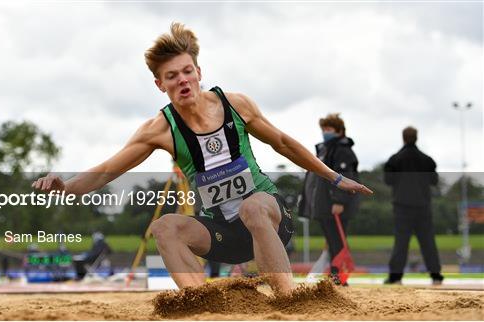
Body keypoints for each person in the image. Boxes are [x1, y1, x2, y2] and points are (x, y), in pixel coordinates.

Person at [32, 22, 372, 294]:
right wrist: (67, 186)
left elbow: (283, 142)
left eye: (186, 71)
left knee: (252, 206)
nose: (181, 80)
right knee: (164, 226)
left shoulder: (236, 105)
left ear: (198, 71)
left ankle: (290, 302)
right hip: (222, 234)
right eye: (171, 77)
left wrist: (336, 178)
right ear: (159, 84)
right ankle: (201, 304)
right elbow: (107, 170)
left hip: (270, 219)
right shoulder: (159, 129)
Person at [297, 113, 360, 285]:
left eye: (329, 129)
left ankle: (338, 277)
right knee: (332, 243)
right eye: (323, 129)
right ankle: (335, 276)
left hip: (335, 205)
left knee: (337, 243)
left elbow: (346, 175)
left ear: (339, 131)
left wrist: (339, 200)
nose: (325, 132)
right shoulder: (323, 150)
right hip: (323, 205)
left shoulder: (342, 150)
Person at [384, 126, 443, 285]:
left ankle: (396, 277)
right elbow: (434, 181)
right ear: (416, 138)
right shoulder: (427, 160)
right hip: (423, 207)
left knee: (401, 242)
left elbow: (388, 181)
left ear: (403, 138)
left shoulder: (394, 159)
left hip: (402, 207)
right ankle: (436, 275)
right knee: (428, 241)